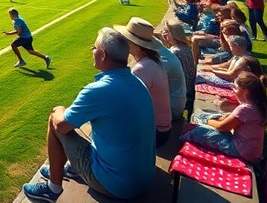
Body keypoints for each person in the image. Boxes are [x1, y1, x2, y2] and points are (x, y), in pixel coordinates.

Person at [21, 27, 155, 202]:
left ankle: (52, 189)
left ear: (103, 55)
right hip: (144, 178)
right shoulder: (137, 81)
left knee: (55, 119)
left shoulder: (99, 90)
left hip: (118, 185)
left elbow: (62, 126)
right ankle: (61, 169)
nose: (92, 50)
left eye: (94, 47)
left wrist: (59, 109)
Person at [181, 72, 267, 163]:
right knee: (210, 118)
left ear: (245, 91)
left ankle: (178, 146)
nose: (233, 90)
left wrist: (206, 121)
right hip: (250, 152)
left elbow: (221, 127)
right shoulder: (257, 105)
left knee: (197, 131)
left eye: (235, 88)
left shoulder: (245, 109)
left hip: (240, 151)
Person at [115, 17, 172, 146]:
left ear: (137, 46)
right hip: (161, 128)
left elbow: (126, 104)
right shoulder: (153, 62)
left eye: (126, 40)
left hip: (155, 133)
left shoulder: (142, 69)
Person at [163, 19, 197, 115]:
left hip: (183, 93)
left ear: (174, 33)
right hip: (189, 88)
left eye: (166, 31)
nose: (164, 34)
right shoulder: (185, 47)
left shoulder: (176, 51)